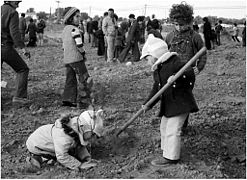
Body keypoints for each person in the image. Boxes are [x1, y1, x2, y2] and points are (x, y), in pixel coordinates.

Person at [141, 34, 199, 166]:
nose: (147, 62)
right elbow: (157, 88)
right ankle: (166, 150)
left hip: (180, 104)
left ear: (154, 54)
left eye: (147, 58)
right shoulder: (158, 69)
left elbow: (189, 72)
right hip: (169, 105)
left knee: (173, 130)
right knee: (164, 127)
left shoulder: (175, 63)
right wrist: (147, 104)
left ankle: (171, 157)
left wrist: (176, 76)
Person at [165, 2, 207, 134]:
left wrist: (198, 68)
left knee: (184, 98)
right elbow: (165, 54)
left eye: (182, 24)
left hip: (188, 74)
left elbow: (203, 53)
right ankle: (171, 123)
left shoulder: (195, 37)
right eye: (176, 24)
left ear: (189, 22)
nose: (179, 27)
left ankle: (183, 126)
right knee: (171, 97)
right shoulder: (170, 36)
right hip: (171, 73)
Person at [26, 109, 105, 170]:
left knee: (72, 149)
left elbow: (79, 146)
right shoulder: (64, 136)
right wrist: (79, 165)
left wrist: (87, 159)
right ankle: (37, 158)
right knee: (62, 154)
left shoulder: (75, 130)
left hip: (50, 140)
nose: (93, 137)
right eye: (93, 134)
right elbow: (61, 156)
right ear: (84, 128)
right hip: (37, 145)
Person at [61, 7, 93, 109]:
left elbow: (63, 47)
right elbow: (79, 45)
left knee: (70, 79)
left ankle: (68, 100)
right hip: (76, 59)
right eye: (77, 16)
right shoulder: (75, 30)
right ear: (70, 18)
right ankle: (84, 102)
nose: (79, 18)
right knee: (84, 79)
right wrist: (83, 54)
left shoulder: (65, 30)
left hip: (67, 59)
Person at [1, 0, 31, 104]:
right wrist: (23, 48)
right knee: (22, 69)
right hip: (4, 47)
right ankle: (19, 97)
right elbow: (14, 33)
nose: (19, 2)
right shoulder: (12, 12)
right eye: (17, 1)